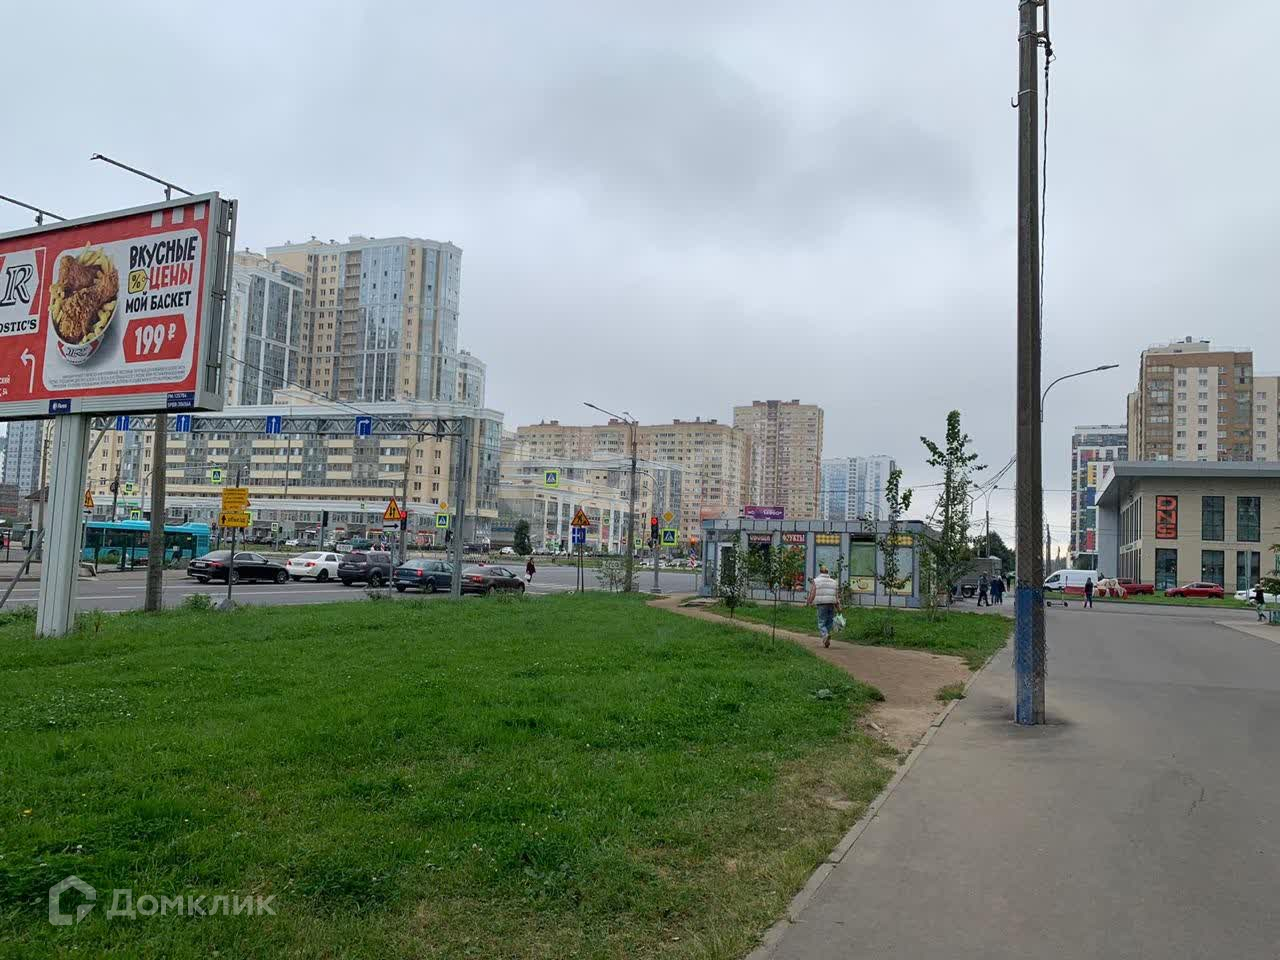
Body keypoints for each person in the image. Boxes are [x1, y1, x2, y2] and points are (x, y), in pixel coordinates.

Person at [805, 564, 841, 649]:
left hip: (821, 604)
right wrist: (838, 606)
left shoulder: (816, 581)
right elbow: (836, 595)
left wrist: (809, 602)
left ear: (820, 572)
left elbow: (812, 593)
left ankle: (825, 635)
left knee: (821, 622)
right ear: (827, 572)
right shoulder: (834, 582)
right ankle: (826, 638)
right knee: (829, 622)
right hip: (831, 603)